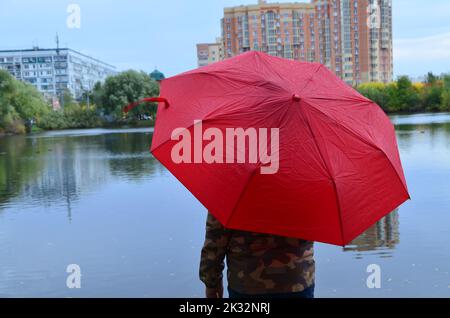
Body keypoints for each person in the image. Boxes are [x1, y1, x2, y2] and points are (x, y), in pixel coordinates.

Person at [199, 212, 315, 298]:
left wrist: (212, 283)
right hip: (298, 281)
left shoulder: (231, 185)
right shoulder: (311, 183)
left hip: (247, 285)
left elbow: (215, 241)